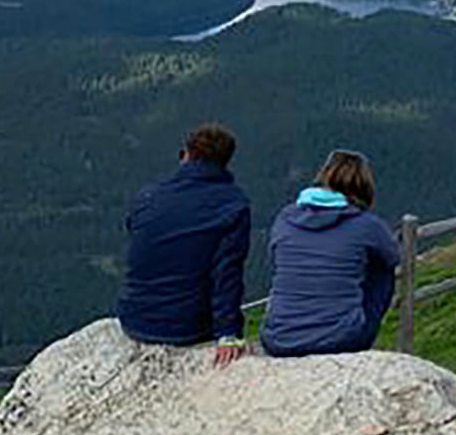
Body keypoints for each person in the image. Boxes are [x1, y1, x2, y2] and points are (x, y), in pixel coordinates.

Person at [118, 124, 253, 366]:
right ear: (225, 162)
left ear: (185, 155)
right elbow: (227, 274)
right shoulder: (233, 205)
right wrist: (228, 334)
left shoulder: (147, 196)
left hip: (134, 319)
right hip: (187, 329)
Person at [260, 150, 401, 358]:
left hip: (278, 339)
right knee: (382, 271)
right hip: (339, 339)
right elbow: (393, 258)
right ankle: (356, 326)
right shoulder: (367, 225)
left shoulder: (285, 217)